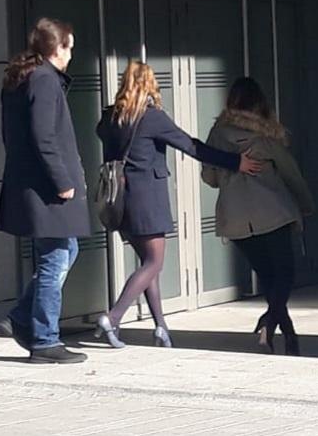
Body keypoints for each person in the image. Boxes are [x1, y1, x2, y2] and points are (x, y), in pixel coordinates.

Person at [93, 61, 262, 349]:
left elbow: (103, 136)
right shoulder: (151, 118)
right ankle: (113, 316)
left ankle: (161, 327)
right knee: (154, 262)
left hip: (121, 200)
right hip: (148, 198)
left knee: (148, 265)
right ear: (149, 84)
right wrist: (236, 162)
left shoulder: (110, 117)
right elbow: (192, 145)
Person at [0, 17, 92, 364]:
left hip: (33, 186)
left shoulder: (24, 77)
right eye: (69, 47)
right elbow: (43, 136)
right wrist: (62, 181)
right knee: (55, 260)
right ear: (57, 47)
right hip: (47, 190)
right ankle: (44, 340)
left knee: (68, 251)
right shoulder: (43, 80)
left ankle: (22, 317)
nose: (71, 55)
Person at [201, 76, 315, 356]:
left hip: (236, 219)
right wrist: (305, 204)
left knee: (268, 278)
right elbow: (290, 173)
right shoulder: (266, 135)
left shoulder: (217, 133)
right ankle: (269, 322)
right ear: (259, 103)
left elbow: (210, 177)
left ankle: (287, 335)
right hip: (273, 213)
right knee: (284, 276)